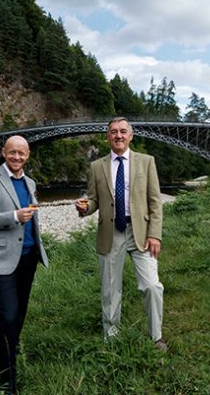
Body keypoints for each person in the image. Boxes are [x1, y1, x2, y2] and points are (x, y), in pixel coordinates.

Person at [74, 117, 167, 351]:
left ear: (131, 135)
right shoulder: (97, 167)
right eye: (113, 132)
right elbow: (94, 199)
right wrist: (86, 208)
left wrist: (155, 235)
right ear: (108, 136)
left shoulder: (147, 162)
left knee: (152, 286)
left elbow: (155, 201)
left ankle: (156, 337)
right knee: (110, 288)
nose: (118, 135)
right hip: (111, 232)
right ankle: (112, 337)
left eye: (123, 131)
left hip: (142, 233)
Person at [0, 135, 49, 394]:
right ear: (4, 153)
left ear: (27, 156)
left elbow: (33, 218)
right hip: (2, 259)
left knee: (18, 315)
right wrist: (13, 216)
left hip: (28, 258)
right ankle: (8, 382)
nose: (17, 157)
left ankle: (11, 354)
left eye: (22, 153)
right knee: (8, 316)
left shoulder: (30, 182)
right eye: (12, 152)